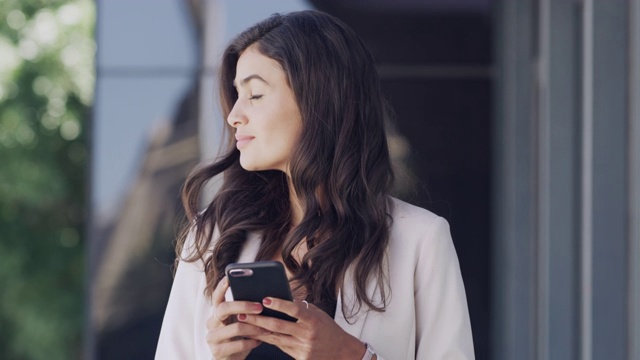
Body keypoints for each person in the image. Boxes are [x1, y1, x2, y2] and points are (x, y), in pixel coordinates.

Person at [156, 10, 474, 360]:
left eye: (256, 95)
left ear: (319, 99)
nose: (234, 116)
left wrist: (352, 356)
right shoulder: (214, 235)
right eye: (236, 95)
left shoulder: (420, 240)